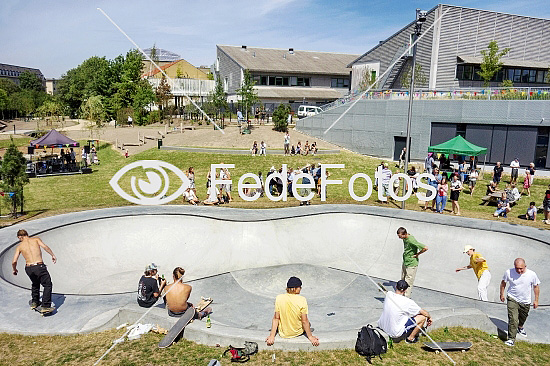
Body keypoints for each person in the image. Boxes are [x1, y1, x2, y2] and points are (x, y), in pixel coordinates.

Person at [265, 276, 319, 347]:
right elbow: (304, 321)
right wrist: (310, 337)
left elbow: (276, 318)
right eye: (300, 287)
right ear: (295, 289)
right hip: (297, 332)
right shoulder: (302, 300)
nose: (300, 289)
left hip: (283, 334)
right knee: (308, 323)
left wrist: (272, 336)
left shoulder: (279, 298)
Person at [11, 229, 56, 313]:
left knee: (35, 283)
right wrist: (52, 255)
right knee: (47, 285)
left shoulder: (19, 246)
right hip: (39, 266)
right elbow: (45, 247)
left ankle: (35, 302)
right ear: (26, 234)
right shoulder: (36, 239)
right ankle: (45, 305)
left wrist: (14, 269)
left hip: (28, 268)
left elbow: (14, 261)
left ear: (19, 237)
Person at [500, 258, 540, 346]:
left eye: (521, 268)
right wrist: (502, 294)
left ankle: (520, 326)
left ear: (525, 266)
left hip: (525, 301)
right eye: (517, 268)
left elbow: (536, 287)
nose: (519, 270)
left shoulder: (532, 274)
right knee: (513, 319)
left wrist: (536, 300)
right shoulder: (508, 272)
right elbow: (503, 283)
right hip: (512, 298)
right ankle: (511, 339)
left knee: (523, 317)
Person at [397, 227, 428, 297]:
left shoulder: (411, 240)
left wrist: (417, 254)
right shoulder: (405, 237)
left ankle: (406, 297)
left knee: (408, 282)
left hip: (411, 264)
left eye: (400, 236)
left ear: (404, 234)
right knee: (403, 280)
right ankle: (401, 294)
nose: (399, 238)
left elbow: (425, 248)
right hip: (405, 261)